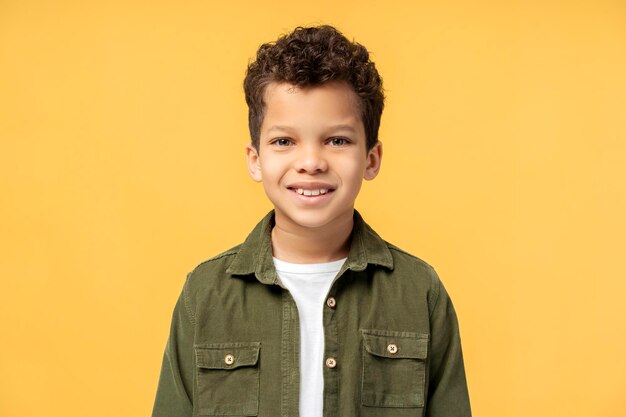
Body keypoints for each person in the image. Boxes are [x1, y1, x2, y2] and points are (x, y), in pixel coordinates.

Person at [151, 25, 471, 417]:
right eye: (284, 141)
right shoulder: (205, 295)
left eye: (337, 140)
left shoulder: (419, 292)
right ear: (255, 160)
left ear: (371, 159)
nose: (311, 162)